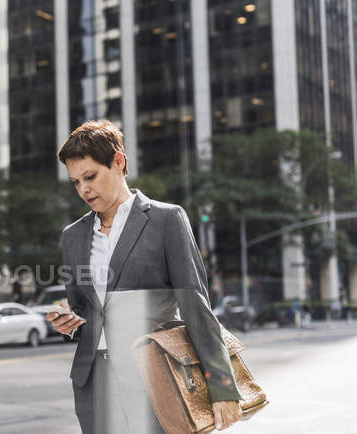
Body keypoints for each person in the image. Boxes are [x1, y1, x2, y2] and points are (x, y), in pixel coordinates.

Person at [47, 120, 242, 434]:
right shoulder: (73, 236)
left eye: (90, 176)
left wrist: (221, 387)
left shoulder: (166, 220)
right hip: (93, 382)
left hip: (155, 376)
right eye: (76, 182)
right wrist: (68, 323)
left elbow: (195, 305)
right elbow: (84, 309)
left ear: (118, 162)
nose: (84, 189)